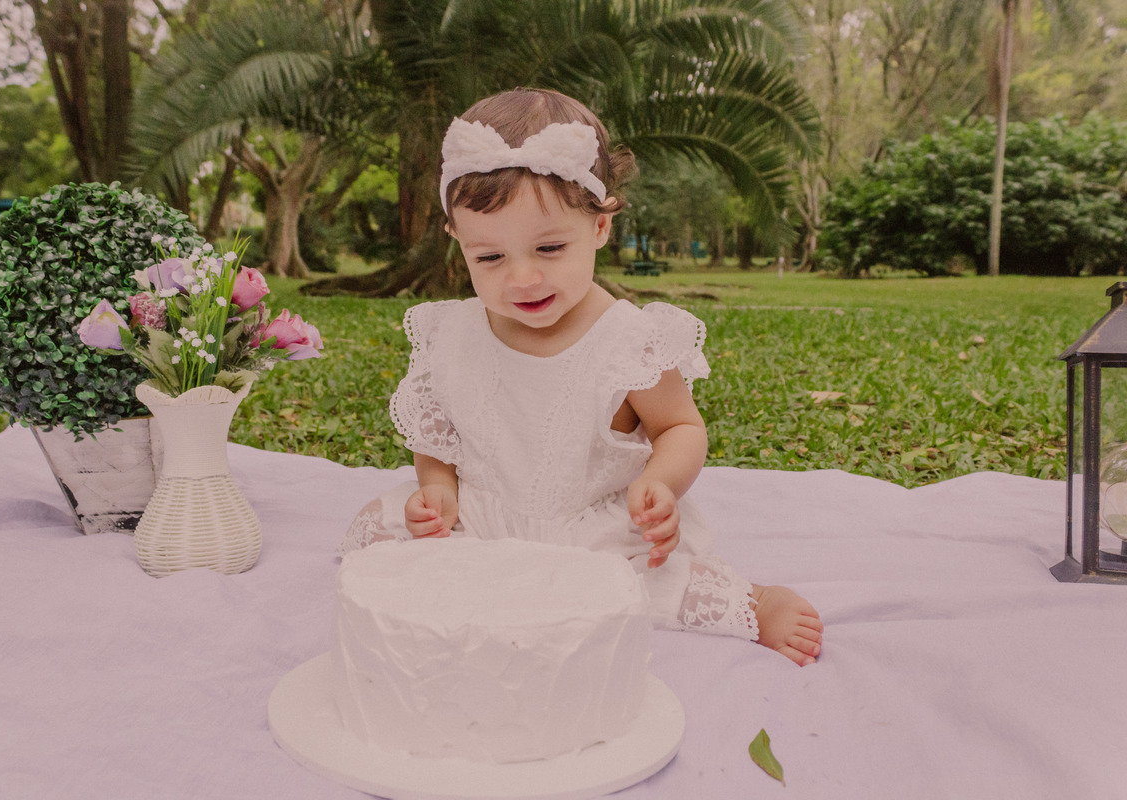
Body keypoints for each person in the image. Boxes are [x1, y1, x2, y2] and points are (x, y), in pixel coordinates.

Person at [341, 88, 822, 666]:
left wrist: (661, 484)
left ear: (599, 227)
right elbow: (438, 436)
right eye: (489, 258)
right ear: (457, 241)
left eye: (548, 247)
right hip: (485, 513)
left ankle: (756, 602)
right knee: (381, 539)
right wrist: (438, 489)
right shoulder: (453, 334)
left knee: (642, 586)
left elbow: (679, 428)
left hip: (589, 532)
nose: (521, 279)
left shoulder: (627, 341)